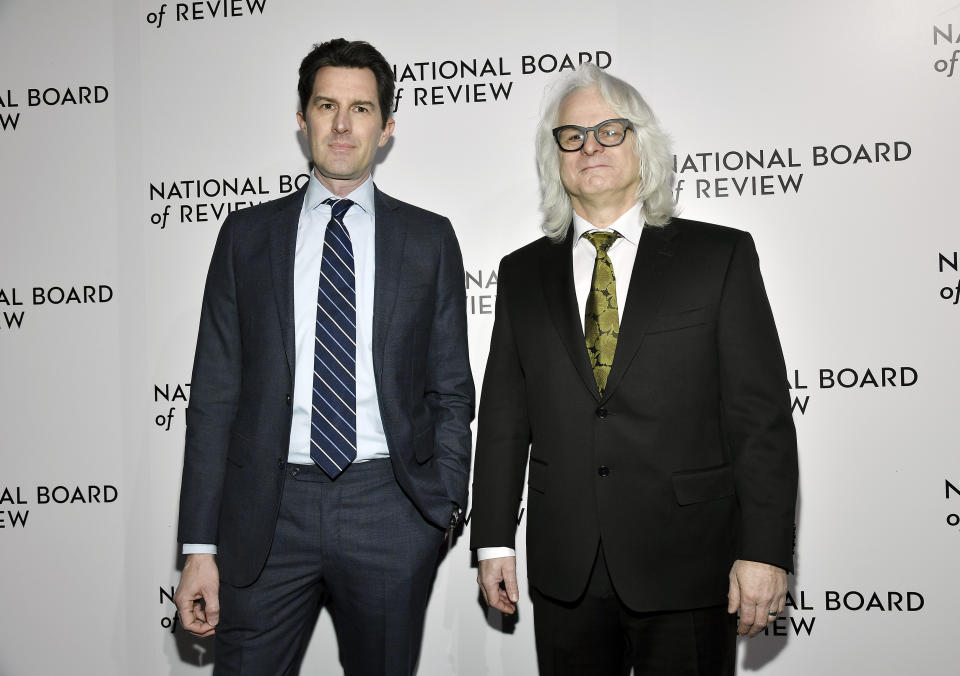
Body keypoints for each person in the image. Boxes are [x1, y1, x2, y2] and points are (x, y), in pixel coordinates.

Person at [470, 63, 798, 675]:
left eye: (609, 130)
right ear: (556, 157)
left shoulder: (719, 256)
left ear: (642, 144)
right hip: (566, 568)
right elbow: (504, 420)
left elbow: (760, 419)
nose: (589, 145)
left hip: (690, 564)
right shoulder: (521, 274)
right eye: (572, 135)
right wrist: (492, 540)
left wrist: (764, 550)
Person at [173, 38, 474, 676]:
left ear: (387, 127)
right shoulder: (245, 237)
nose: (342, 124)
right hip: (265, 514)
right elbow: (215, 394)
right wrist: (199, 546)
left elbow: (450, 388)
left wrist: (439, 509)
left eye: (361, 108)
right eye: (326, 105)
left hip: (388, 506)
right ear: (302, 117)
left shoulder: (429, 239)